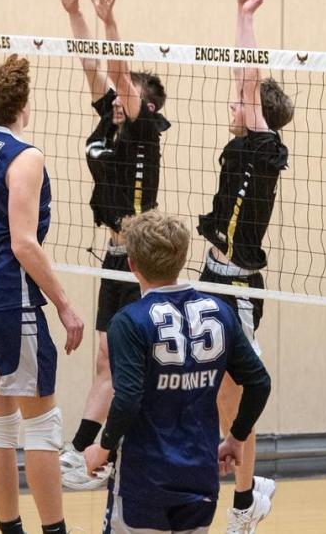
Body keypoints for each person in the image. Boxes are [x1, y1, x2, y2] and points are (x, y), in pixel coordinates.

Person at [0, 55, 86, 534]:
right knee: (42, 425)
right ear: (22, 103)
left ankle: (10, 529)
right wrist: (66, 305)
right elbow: (23, 242)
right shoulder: (25, 155)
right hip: (9, 296)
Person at [83, 209, 272, 534]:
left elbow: (127, 397)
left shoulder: (128, 322)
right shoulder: (219, 313)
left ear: (132, 264)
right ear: (183, 259)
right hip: (199, 476)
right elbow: (259, 382)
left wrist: (102, 448)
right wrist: (236, 437)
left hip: (144, 479)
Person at [53, 0, 170, 489]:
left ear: (146, 104)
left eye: (130, 93)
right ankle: (88, 450)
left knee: (120, 358)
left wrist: (110, 21)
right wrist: (75, 13)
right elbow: (91, 66)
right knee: (105, 357)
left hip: (142, 258)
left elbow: (119, 73)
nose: (120, 96)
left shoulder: (143, 126)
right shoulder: (111, 118)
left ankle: (91, 451)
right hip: (112, 257)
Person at [196, 0, 294, 533]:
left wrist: (245, 15)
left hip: (239, 285)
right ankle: (250, 490)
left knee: (236, 398)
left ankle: (243, 505)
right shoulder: (241, 146)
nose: (233, 102)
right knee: (221, 398)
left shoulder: (263, 145)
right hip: (211, 273)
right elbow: (244, 79)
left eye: (241, 100)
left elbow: (249, 75)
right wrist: (236, 11)